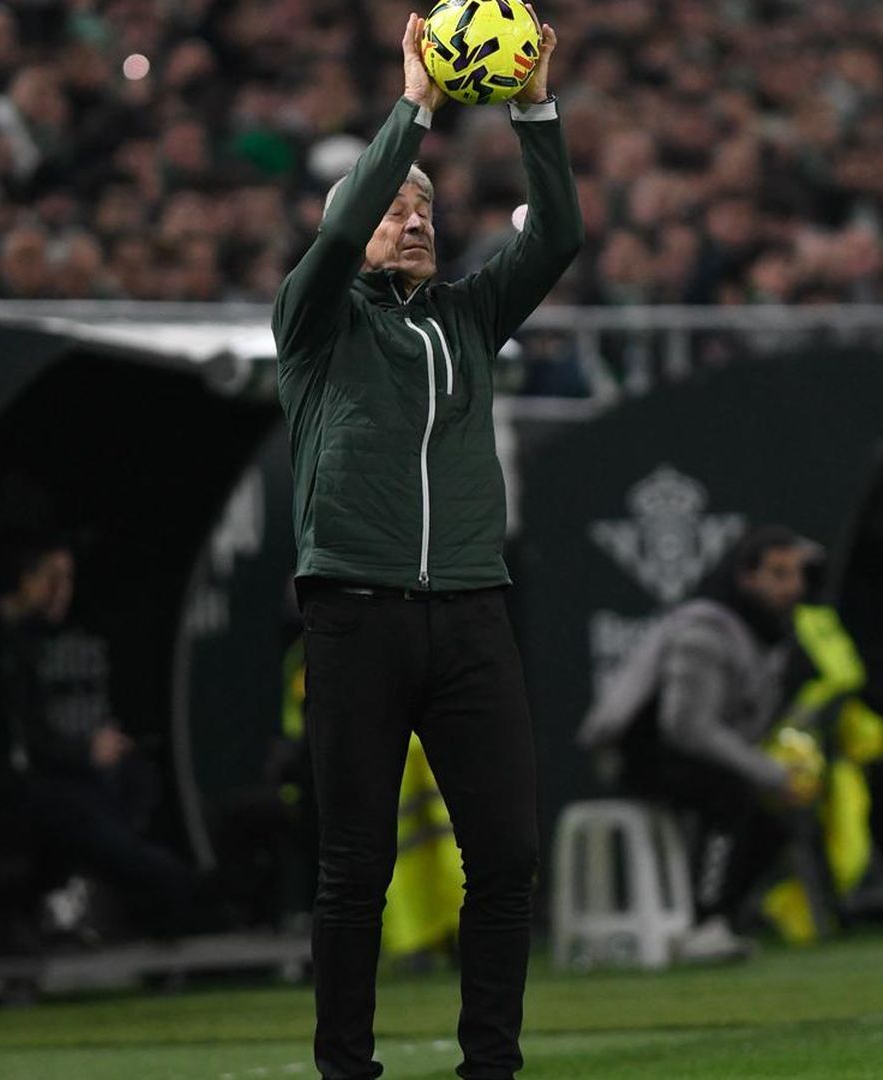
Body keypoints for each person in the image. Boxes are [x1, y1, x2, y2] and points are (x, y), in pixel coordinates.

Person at [270, 8, 580, 1078]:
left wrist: (533, 104)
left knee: (507, 857)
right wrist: (417, 103)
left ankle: (490, 1065)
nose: (413, 220)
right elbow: (347, 211)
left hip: (471, 615)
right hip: (353, 613)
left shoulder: (464, 317)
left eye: (425, 208)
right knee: (355, 867)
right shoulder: (313, 323)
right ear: (349, 229)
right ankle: (345, 1070)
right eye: (393, 209)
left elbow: (560, 237)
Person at [579, 527, 824, 961]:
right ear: (747, 578)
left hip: (688, 754)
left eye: (796, 574)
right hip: (637, 752)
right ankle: (704, 923)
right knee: (730, 790)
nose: (793, 586)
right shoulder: (706, 630)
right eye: (778, 573)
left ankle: (715, 917)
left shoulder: (773, 635)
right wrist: (768, 771)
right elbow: (686, 727)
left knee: (772, 822)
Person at [0, 534, 194, 945]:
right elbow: (20, 742)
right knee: (134, 851)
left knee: (132, 780)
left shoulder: (39, 643)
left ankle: (96, 904)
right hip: (13, 790)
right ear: (26, 580)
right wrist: (83, 753)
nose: (64, 591)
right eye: (54, 578)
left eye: (69, 579)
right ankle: (173, 898)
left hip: (62, 780)